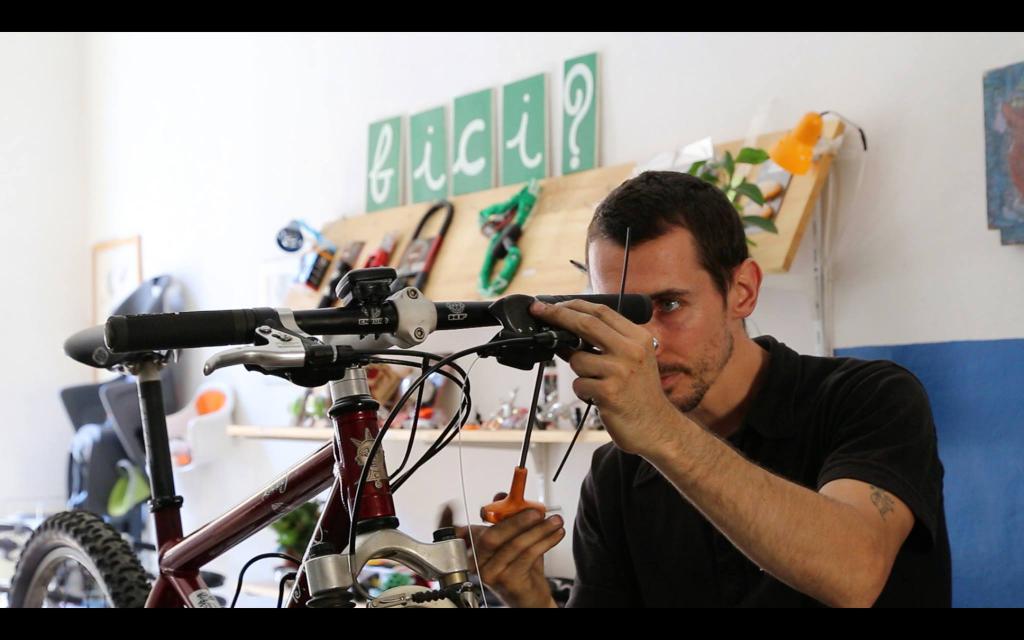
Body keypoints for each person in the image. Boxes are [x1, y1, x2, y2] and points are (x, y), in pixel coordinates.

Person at [455, 171, 951, 607]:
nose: (645, 340)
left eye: (670, 305)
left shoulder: (870, 398)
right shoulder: (617, 476)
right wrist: (531, 599)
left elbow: (855, 573)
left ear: (743, 291)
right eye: (620, 312)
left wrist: (660, 430)